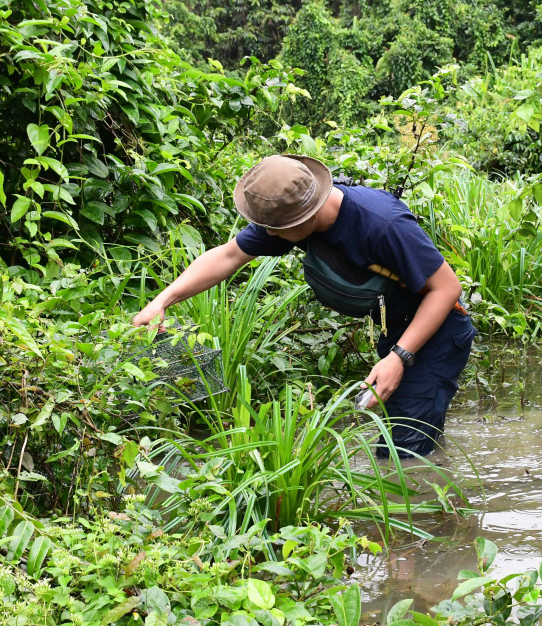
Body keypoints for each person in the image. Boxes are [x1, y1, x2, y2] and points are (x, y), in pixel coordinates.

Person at [133, 154, 476, 458]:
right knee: (412, 430)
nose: (268, 234)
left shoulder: (381, 223)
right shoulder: (286, 219)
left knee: (401, 454)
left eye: (275, 230)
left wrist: (399, 358)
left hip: (438, 332)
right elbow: (229, 254)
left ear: (302, 218)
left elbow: (446, 289)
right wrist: (162, 301)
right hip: (396, 327)